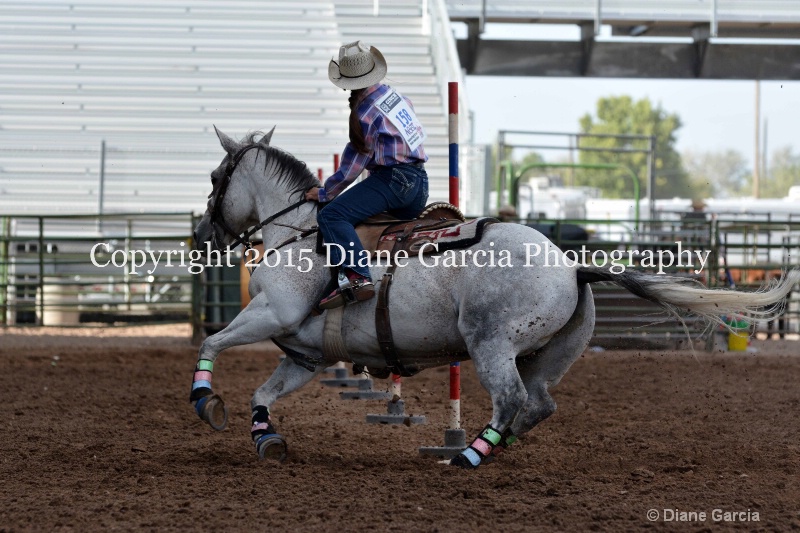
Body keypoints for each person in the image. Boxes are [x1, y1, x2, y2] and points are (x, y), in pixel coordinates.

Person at [304, 41, 429, 310]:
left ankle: (358, 277)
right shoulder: (395, 96)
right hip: (419, 184)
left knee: (332, 215)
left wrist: (326, 192)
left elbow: (356, 160)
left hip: (393, 181)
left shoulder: (365, 110)